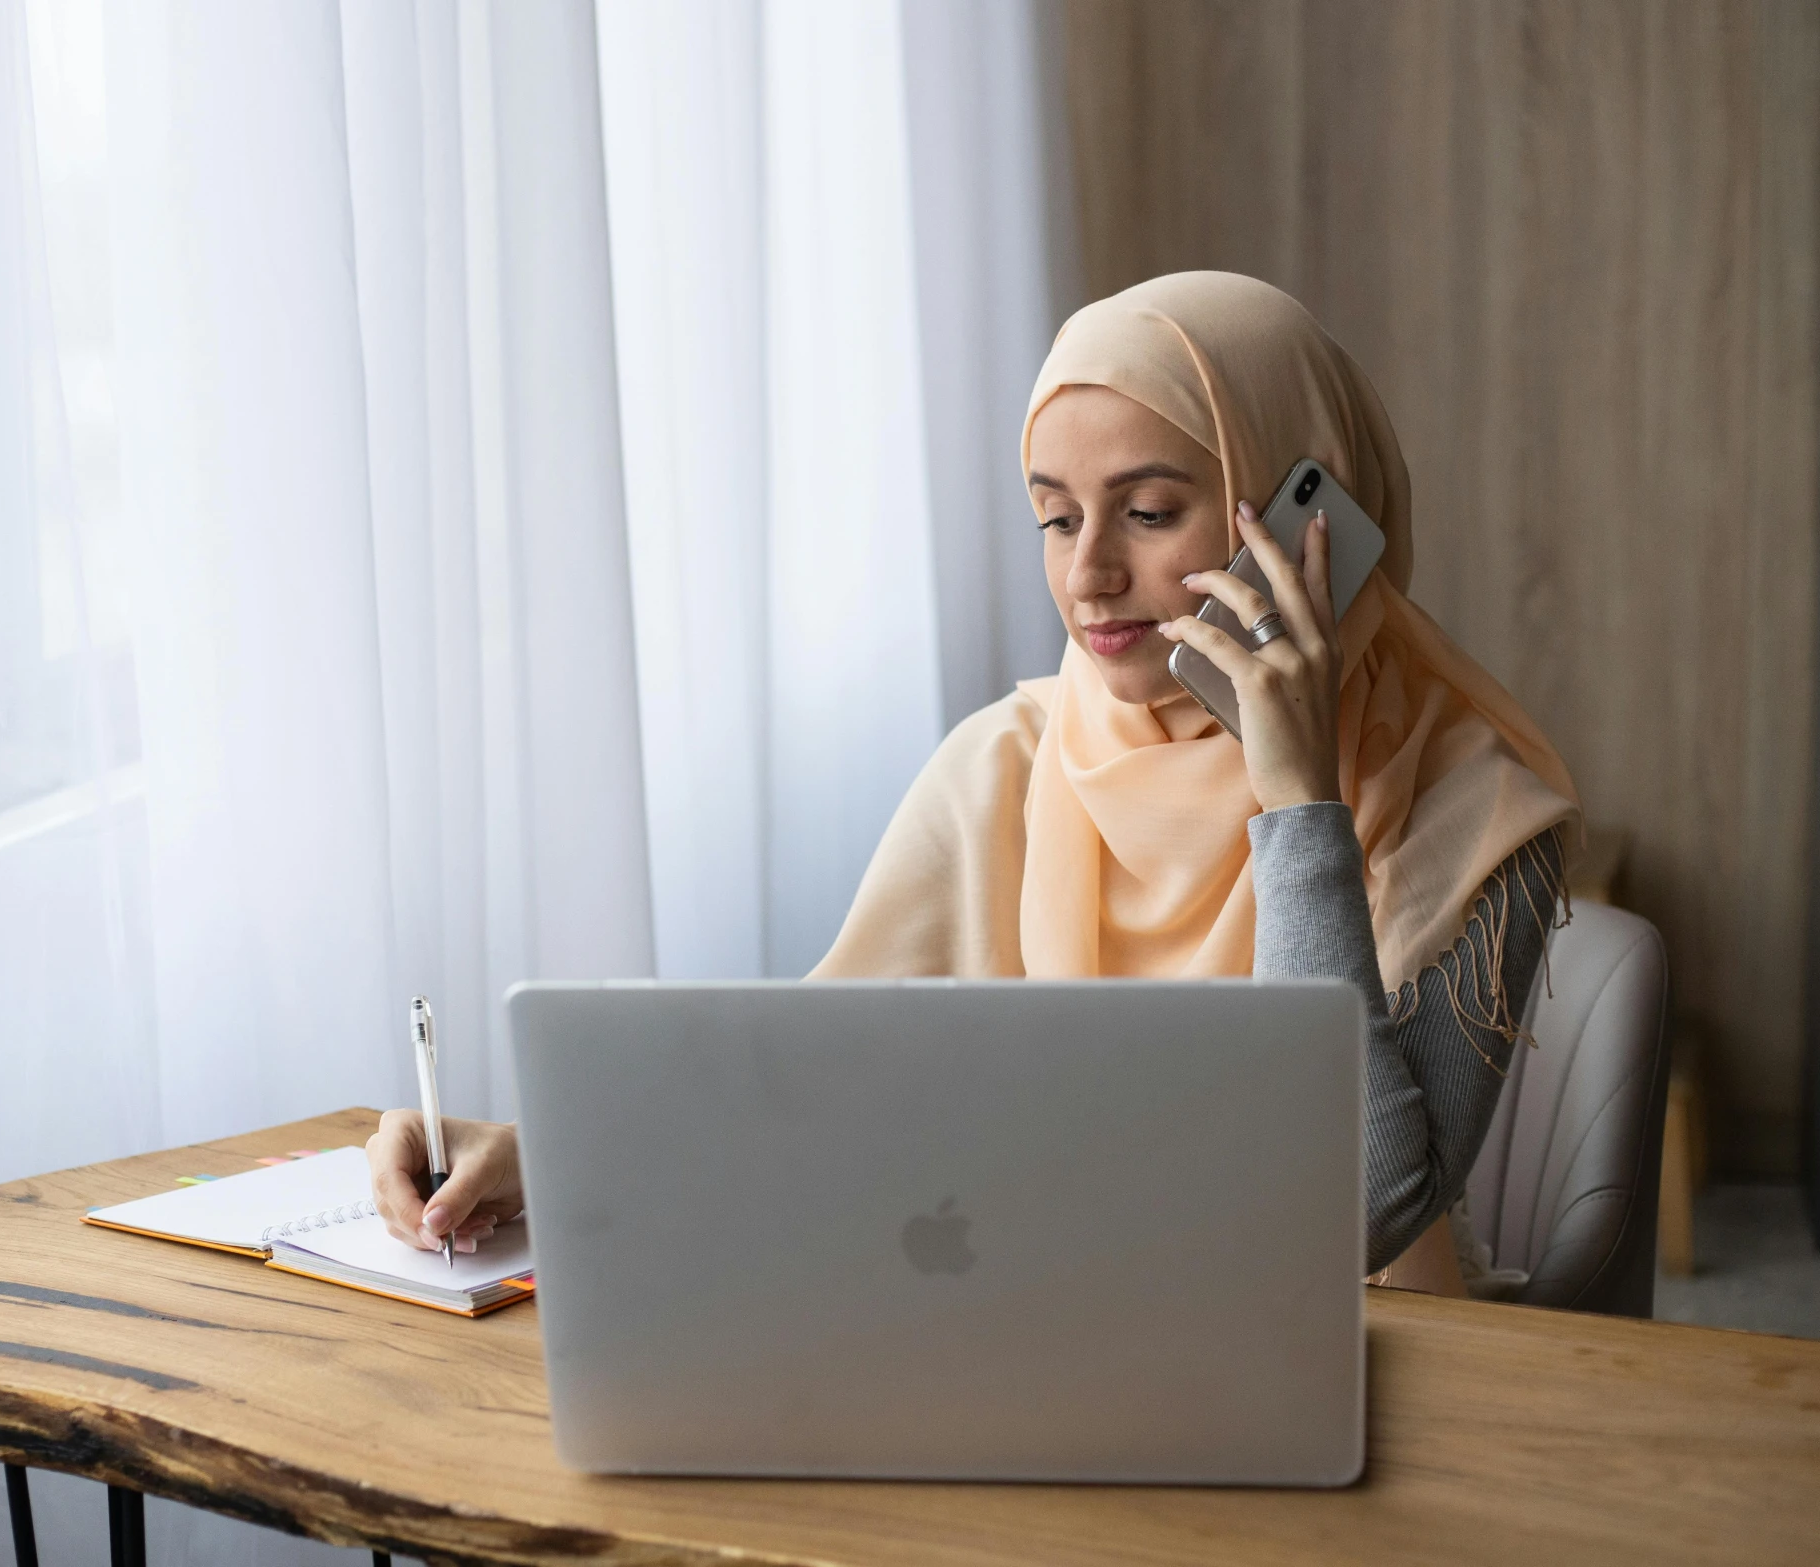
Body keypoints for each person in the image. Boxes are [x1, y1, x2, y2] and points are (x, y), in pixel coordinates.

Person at [367, 271, 1580, 1297]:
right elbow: (813, 1086)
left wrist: (1301, 801)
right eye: (1055, 520)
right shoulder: (1005, 766)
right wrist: (549, 1150)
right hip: (1055, 1341)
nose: (1091, 575)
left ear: (1315, 518)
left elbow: (1349, 1211)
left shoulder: (1478, 807)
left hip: (1380, 1380)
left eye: (1149, 511)